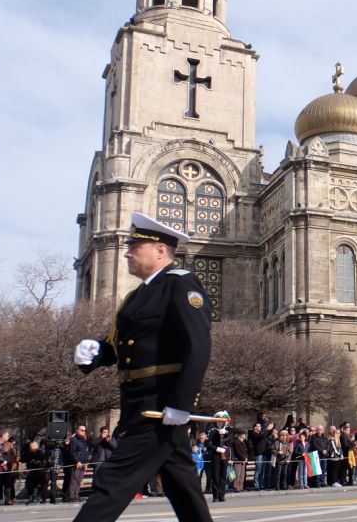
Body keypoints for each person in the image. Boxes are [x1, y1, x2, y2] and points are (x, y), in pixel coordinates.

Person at [71, 212, 214, 522]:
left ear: (160, 250)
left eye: (135, 247)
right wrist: (96, 352)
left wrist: (181, 402)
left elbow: (198, 345)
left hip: (158, 407)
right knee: (182, 488)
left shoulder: (180, 284)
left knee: (112, 481)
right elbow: (123, 348)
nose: (127, 253)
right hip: (138, 403)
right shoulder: (136, 296)